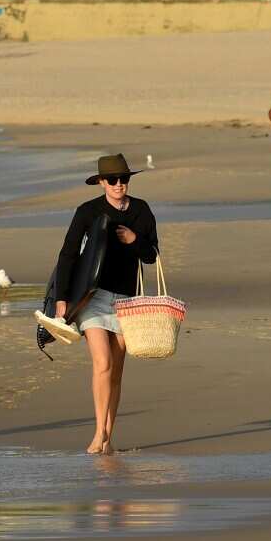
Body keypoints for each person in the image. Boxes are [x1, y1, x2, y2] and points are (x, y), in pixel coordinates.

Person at [53, 153, 158, 455]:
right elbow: (68, 255)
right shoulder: (88, 211)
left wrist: (133, 240)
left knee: (117, 372)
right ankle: (99, 433)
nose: (118, 184)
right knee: (103, 364)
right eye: (112, 180)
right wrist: (62, 300)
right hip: (93, 298)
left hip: (128, 300)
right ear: (101, 182)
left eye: (123, 179)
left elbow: (151, 254)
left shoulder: (141, 210)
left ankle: (108, 438)